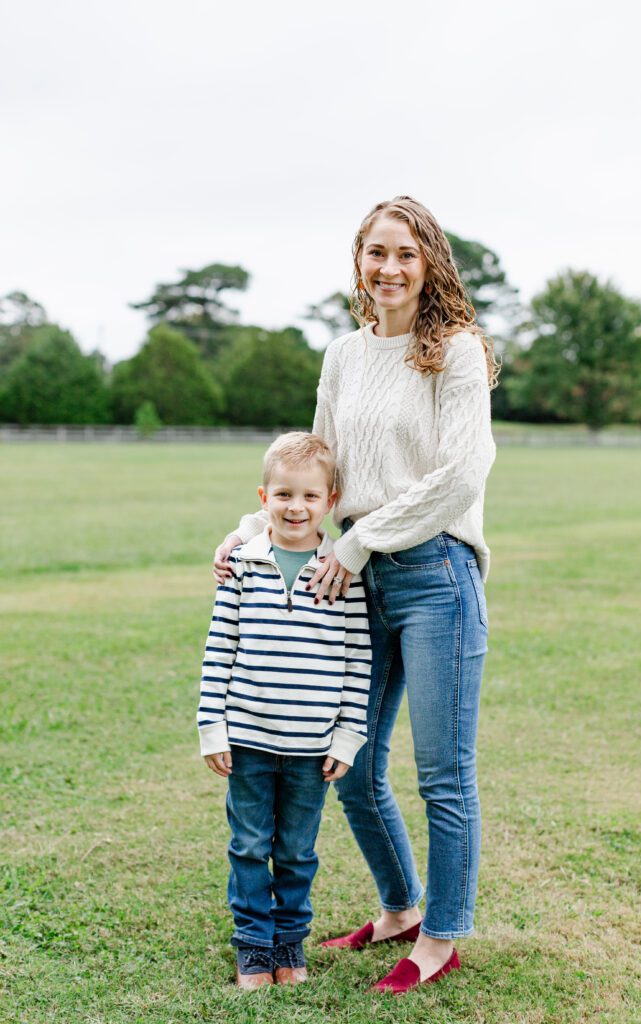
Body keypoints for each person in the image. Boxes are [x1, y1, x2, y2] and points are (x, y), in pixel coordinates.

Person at [213, 196, 497, 994]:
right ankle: (402, 907)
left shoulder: (457, 352)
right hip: (354, 576)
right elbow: (315, 467)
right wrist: (251, 524)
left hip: (435, 572)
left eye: (404, 254)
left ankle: (440, 936)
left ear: (429, 262)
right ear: (358, 261)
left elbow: (461, 476)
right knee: (353, 761)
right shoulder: (342, 353)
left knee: (443, 773)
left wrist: (361, 538)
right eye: (375, 252)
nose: (388, 268)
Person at [199, 432, 371, 989]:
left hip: (311, 748)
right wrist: (212, 726)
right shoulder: (242, 564)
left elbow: (358, 660)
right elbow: (219, 646)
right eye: (283, 495)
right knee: (249, 846)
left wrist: (347, 737)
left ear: (331, 501)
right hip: (248, 736)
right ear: (263, 496)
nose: (295, 507)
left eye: (309, 497)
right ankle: (252, 945)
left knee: (297, 851)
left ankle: (288, 943)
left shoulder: (343, 570)